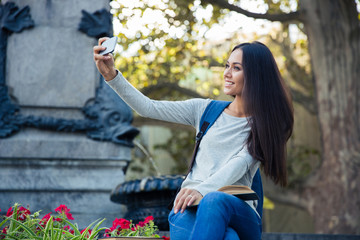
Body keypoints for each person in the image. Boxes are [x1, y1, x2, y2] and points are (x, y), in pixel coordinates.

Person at [93, 39, 294, 240]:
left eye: (236, 68)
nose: (227, 73)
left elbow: (239, 164)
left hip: (238, 209)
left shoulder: (265, 124)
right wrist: (112, 76)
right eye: (227, 66)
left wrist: (201, 190)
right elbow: (148, 107)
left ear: (256, 76)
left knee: (214, 200)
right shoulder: (205, 110)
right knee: (230, 238)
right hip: (188, 207)